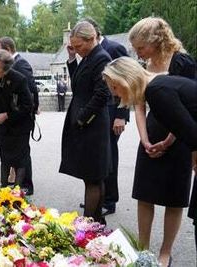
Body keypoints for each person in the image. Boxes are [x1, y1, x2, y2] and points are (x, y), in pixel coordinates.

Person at [103, 56, 197, 267]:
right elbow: (182, 123)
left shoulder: (156, 90)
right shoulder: (155, 87)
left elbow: (191, 133)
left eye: (115, 88)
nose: (116, 95)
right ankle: (143, 250)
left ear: (125, 80)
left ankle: (165, 253)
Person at [128, 17, 197, 266]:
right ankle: (142, 248)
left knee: (174, 197)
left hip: (180, 136)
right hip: (151, 133)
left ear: (156, 41)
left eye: (140, 47)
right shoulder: (145, 62)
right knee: (144, 194)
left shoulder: (182, 62)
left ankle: (165, 252)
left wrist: (168, 142)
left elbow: (188, 111)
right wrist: (145, 139)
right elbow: (138, 105)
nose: (138, 53)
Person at [59, 21, 112, 224]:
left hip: (92, 125)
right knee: (91, 176)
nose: (78, 50)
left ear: (91, 39)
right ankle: (97, 221)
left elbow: (102, 94)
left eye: (79, 46)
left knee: (93, 176)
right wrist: (72, 58)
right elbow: (79, 83)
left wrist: (82, 119)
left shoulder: (101, 58)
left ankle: (90, 222)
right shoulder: (89, 57)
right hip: (85, 123)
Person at [83, 17, 130, 216]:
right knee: (98, 157)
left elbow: (127, 81)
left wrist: (121, 114)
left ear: (94, 33)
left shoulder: (115, 48)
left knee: (109, 156)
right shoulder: (88, 54)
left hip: (113, 112)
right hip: (98, 112)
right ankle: (97, 197)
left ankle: (109, 200)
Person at [0, 48, 33, 194]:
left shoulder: (19, 79)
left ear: (5, 70)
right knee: (4, 158)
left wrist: (7, 115)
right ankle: (4, 191)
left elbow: (27, 106)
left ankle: (17, 193)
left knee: (20, 160)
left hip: (20, 125)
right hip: (3, 127)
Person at [0, 36, 38, 195]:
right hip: (8, 119)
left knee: (22, 153)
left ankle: (26, 185)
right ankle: (14, 183)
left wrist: (33, 109)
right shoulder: (4, 66)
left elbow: (31, 91)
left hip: (20, 118)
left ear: (7, 50)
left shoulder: (21, 64)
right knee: (11, 153)